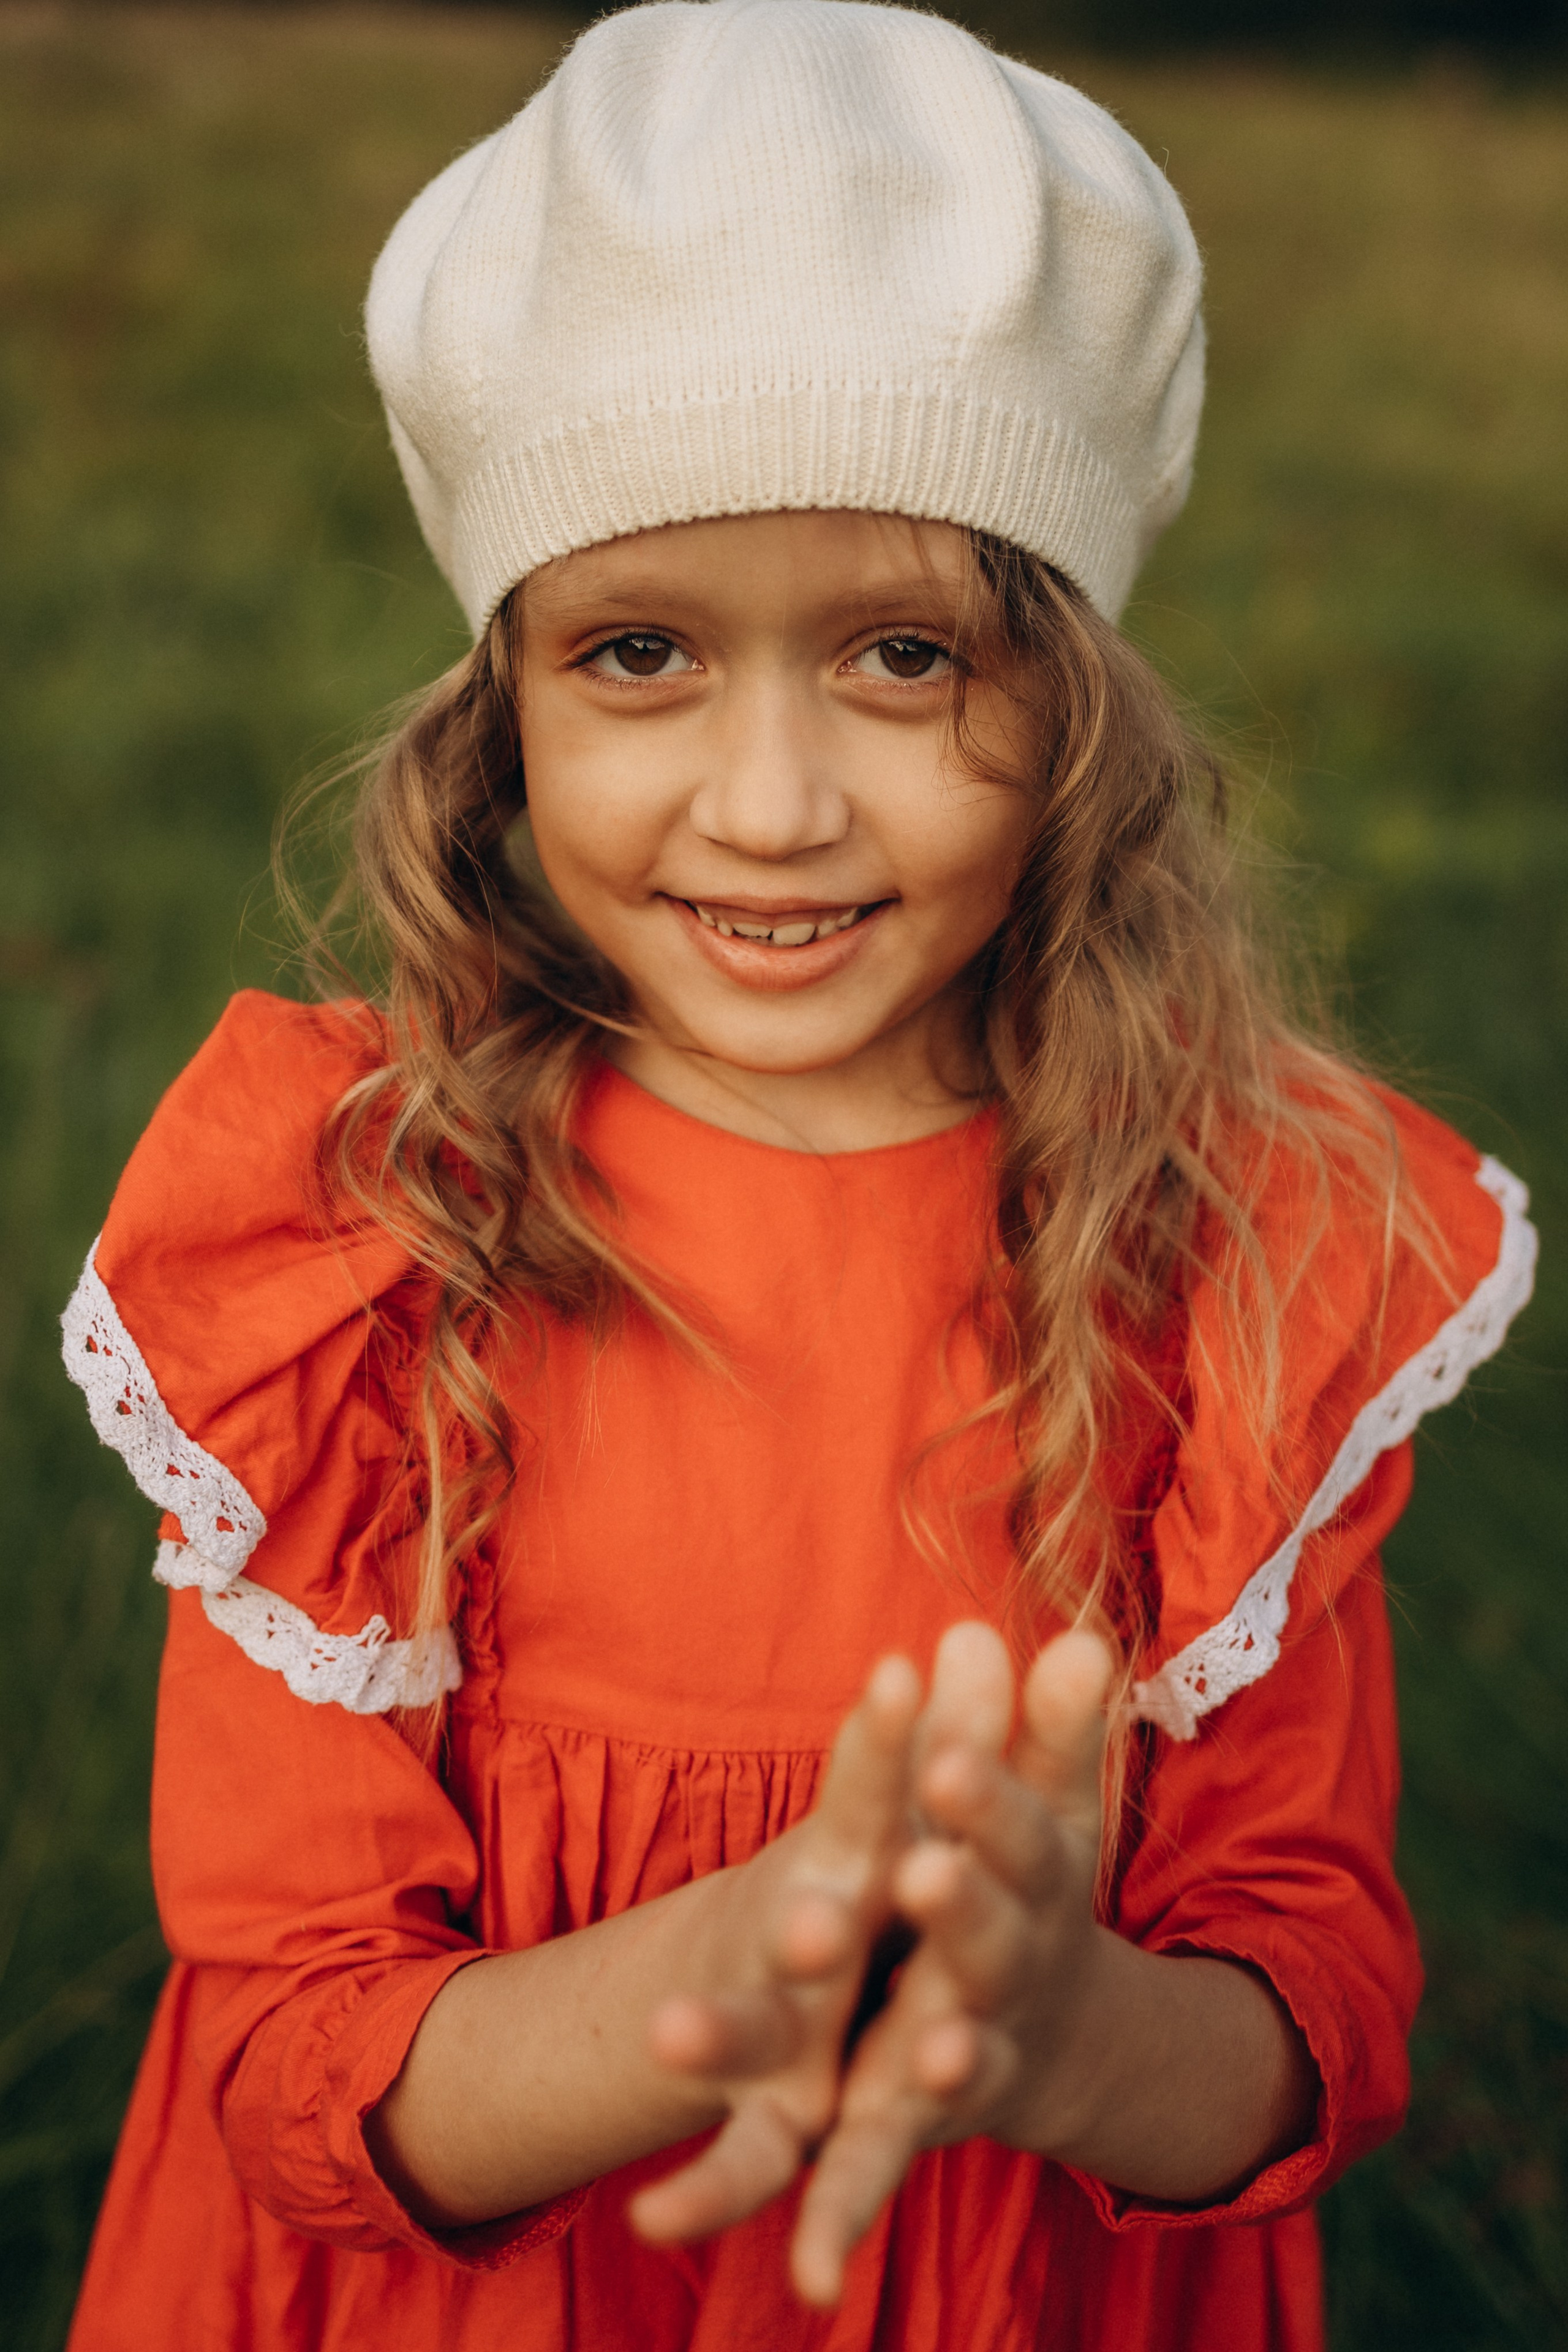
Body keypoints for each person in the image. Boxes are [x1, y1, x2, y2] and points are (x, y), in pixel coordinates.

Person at [60, 4, 1536, 2348]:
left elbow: (1307, 2023)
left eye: (904, 656)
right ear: (504, 705)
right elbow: (293, 2065)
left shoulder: (1223, 1256)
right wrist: (723, 1971)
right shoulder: (369, 1251)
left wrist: (1058, 2036)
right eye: (640, 652)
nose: (769, 806)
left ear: (1079, 707)